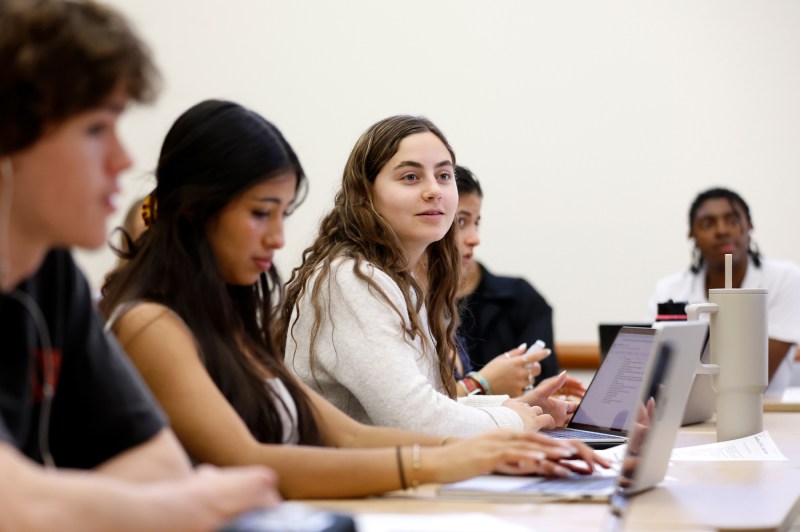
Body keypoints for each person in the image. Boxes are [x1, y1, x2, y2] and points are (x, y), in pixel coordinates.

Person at [100, 100, 607, 500]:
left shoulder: (228, 318)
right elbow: (252, 460)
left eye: (284, 214)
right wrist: (455, 453)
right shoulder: (150, 322)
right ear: (194, 210)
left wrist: (496, 446)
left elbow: (344, 433)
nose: (279, 238)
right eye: (262, 213)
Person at [0, 0, 280, 529]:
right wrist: (180, 507)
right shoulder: (144, 316)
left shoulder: (50, 273)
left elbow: (158, 464)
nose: (123, 160)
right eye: (95, 129)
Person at [280, 115, 580, 438]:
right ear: (366, 193)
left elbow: (433, 405)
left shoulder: (398, 281)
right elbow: (415, 421)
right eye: (411, 177)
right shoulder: (351, 279)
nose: (434, 190)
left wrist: (518, 408)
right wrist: (514, 421)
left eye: (444, 175)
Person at [645, 187, 800, 384]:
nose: (722, 230)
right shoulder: (668, 289)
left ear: (749, 227)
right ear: (692, 235)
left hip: (766, 408)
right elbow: (655, 369)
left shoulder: (785, 279)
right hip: (685, 411)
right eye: (708, 224)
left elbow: (755, 375)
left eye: (733, 221)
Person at [452, 165, 576, 398]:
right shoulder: (415, 305)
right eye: (460, 222)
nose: (475, 238)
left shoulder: (520, 298)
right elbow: (425, 409)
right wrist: (484, 384)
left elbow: (543, 384)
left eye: (476, 222)